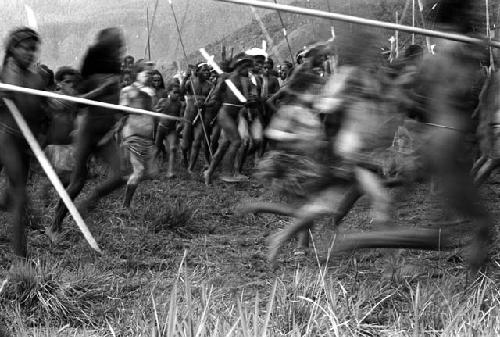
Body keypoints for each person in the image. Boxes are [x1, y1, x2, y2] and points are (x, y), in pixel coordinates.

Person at [49, 27, 126, 239]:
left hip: (105, 135)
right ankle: (55, 225)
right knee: (77, 181)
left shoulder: (115, 76)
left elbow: (115, 105)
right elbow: (79, 104)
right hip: (87, 132)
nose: (120, 48)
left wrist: (119, 115)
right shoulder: (93, 76)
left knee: (122, 174)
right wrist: (101, 91)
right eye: (116, 45)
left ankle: (91, 200)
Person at [0, 27, 47, 258]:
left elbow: (39, 108)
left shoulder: (36, 77)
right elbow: (12, 85)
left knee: (16, 196)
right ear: (12, 48)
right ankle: (20, 257)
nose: (30, 54)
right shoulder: (7, 73)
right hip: (5, 137)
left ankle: (20, 256)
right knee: (18, 196)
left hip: (23, 143)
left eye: (34, 50)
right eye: (25, 48)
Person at [204, 54, 256, 185]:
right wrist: (205, 105)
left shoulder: (245, 81)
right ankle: (227, 173)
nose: (247, 69)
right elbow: (215, 96)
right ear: (238, 66)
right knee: (236, 141)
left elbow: (248, 100)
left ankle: (209, 173)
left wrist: (251, 101)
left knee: (224, 145)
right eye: (245, 66)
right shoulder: (226, 77)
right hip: (225, 114)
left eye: (248, 66)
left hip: (236, 114)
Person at [120, 67, 158, 208]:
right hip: (133, 135)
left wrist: (156, 110)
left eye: (150, 74)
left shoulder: (151, 92)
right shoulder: (127, 91)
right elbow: (123, 108)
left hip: (147, 135)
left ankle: (123, 179)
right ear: (137, 74)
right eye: (146, 73)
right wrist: (137, 99)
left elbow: (152, 111)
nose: (148, 76)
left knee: (152, 172)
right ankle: (125, 205)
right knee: (139, 170)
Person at [181, 63, 213, 170]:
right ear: (197, 72)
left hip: (201, 116)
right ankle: (185, 157)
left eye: (208, 70)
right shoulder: (190, 82)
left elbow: (212, 100)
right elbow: (181, 93)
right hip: (189, 115)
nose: (207, 72)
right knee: (185, 144)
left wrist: (204, 104)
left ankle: (191, 168)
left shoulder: (210, 85)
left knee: (198, 140)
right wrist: (185, 77)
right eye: (204, 70)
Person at [155, 83, 184, 178]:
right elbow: (154, 111)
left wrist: (180, 125)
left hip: (171, 130)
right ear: (169, 92)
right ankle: (152, 167)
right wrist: (158, 110)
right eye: (175, 92)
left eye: (178, 93)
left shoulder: (180, 104)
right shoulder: (163, 101)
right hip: (161, 128)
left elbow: (181, 118)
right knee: (156, 149)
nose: (177, 95)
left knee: (173, 148)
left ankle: (170, 171)